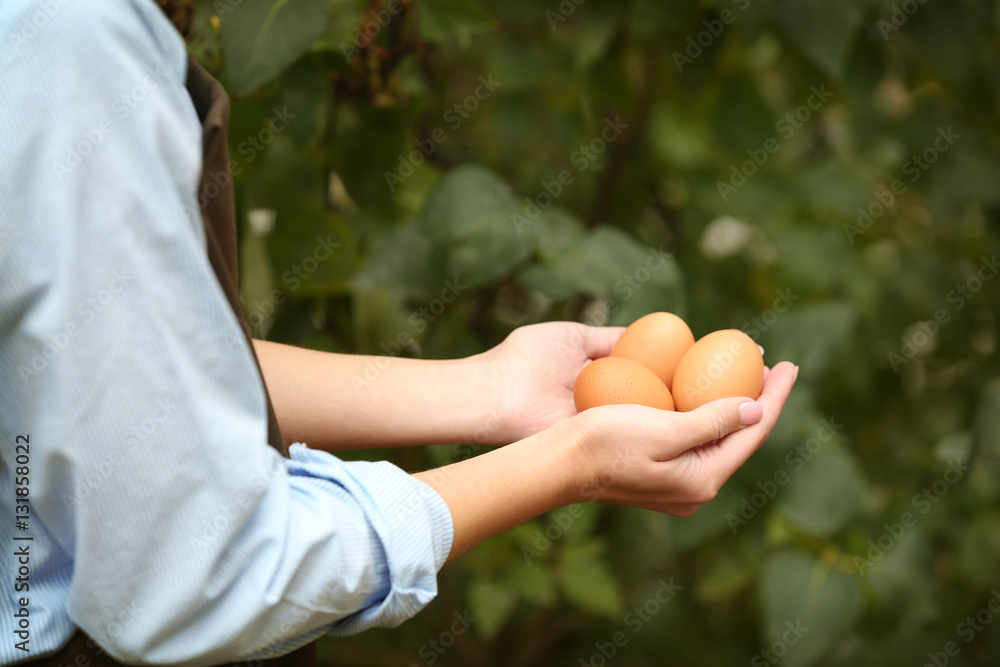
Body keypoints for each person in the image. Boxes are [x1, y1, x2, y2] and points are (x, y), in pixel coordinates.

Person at [0, 1, 798, 665]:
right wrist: (572, 460)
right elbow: (201, 577)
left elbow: (100, 379)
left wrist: (486, 390)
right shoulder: (72, 45)